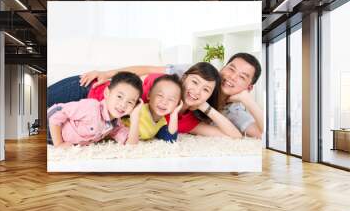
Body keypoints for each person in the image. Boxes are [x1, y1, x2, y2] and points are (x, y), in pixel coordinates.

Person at [79, 53, 263, 138]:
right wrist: (107, 74)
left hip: (91, 118)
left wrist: (246, 99)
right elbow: (143, 72)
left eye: (242, 77)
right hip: (91, 89)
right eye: (231, 69)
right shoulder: (184, 75)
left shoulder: (193, 115)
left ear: (249, 86)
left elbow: (251, 135)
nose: (232, 77)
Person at [48, 62, 242, 138]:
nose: (196, 91)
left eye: (206, 89)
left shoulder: (188, 120)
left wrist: (206, 108)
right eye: (194, 82)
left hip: (83, 124)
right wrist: (105, 73)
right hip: (84, 90)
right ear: (184, 79)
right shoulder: (160, 84)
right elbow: (141, 71)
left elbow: (235, 137)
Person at [47, 71, 143, 147]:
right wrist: (58, 144)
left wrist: (135, 118)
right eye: (119, 96)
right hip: (49, 128)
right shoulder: (91, 107)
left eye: (130, 102)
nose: (123, 104)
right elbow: (55, 112)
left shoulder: (114, 125)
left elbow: (131, 146)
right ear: (107, 93)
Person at [122, 74, 184, 143]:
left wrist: (174, 114)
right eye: (160, 95)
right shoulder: (138, 108)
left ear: (177, 104)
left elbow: (170, 139)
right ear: (149, 95)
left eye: (171, 99)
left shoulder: (162, 123)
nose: (164, 102)